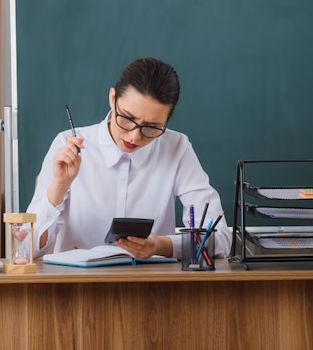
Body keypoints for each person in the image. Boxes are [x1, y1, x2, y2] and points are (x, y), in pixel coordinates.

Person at [26, 57, 231, 259]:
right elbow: (27, 249)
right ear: (112, 98)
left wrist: (162, 245)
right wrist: (60, 186)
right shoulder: (67, 143)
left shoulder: (176, 147)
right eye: (127, 118)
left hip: (150, 288)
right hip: (78, 288)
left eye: (151, 127)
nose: (134, 136)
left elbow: (221, 239)